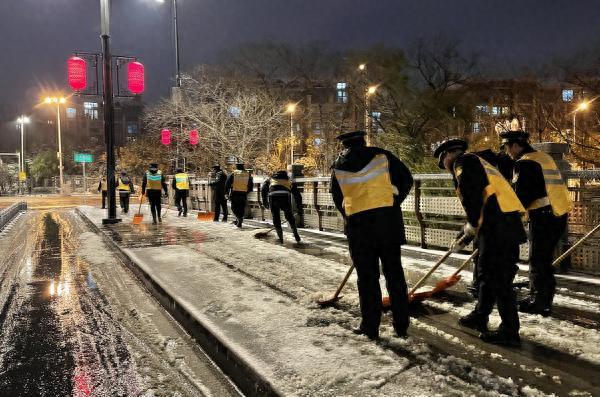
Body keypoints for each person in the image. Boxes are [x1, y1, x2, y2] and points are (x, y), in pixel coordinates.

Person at [434, 138, 526, 347]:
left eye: (443, 163)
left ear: (448, 155)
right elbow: (484, 198)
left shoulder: (463, 163)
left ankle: (509, 331)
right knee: (487, 274)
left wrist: (469, 230)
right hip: (502, 225)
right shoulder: (480, 161)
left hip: (497, 229)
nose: (446, 168)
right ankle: (480, 315)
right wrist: (467, 232)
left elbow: (472, 198)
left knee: (500, 279)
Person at [330, 130, 413, 341]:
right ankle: (401, 325)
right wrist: (393, 202)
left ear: (344, 146)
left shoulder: (338, 166)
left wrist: (351, 215)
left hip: (359, 229)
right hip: (388, 224)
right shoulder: (383, 156)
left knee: (367, 279)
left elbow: (337, 197)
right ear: (364, 141)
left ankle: (370, 327)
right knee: (395, 275)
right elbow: (407, 179)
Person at [501, 130, 573, 316]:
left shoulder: (524, 163)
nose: (507, 151)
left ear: (516, 145)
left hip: (543, 216)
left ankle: (540, 301)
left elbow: (522, 196)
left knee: (538, 260)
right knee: (544, 259)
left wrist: (508, 216)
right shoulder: (543, 157)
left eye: (507, 147)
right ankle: (541, 296)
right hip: (559, 213)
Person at [468, 148, 515, 298]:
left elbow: (475, 202)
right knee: (502, 258)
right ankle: (499, 286)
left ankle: (481, 287)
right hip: (506, 216)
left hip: (490, 220)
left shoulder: (478, 166)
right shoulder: (500, 168)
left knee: (483, 256)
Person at [261, 170, 303, 243]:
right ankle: (296, 235)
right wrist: (299, 208)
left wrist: (264, 202)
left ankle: (280, 239)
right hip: (285, 197)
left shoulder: (270, 179)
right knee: (289, 215)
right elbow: (297, 195)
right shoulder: (289, 180)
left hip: (273, 197)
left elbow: (263, 188)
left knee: (276, 217)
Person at [225, 163, 253, 228]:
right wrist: (246, 192)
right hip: (243, 194)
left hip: (235, 193)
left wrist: (226, 193)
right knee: (241, 208)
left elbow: (227, 184)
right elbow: (251, 186)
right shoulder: (248, 174)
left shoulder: (233, 174)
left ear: (236, 167)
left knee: (234, 207)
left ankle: (239, 220)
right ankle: (239, 221)